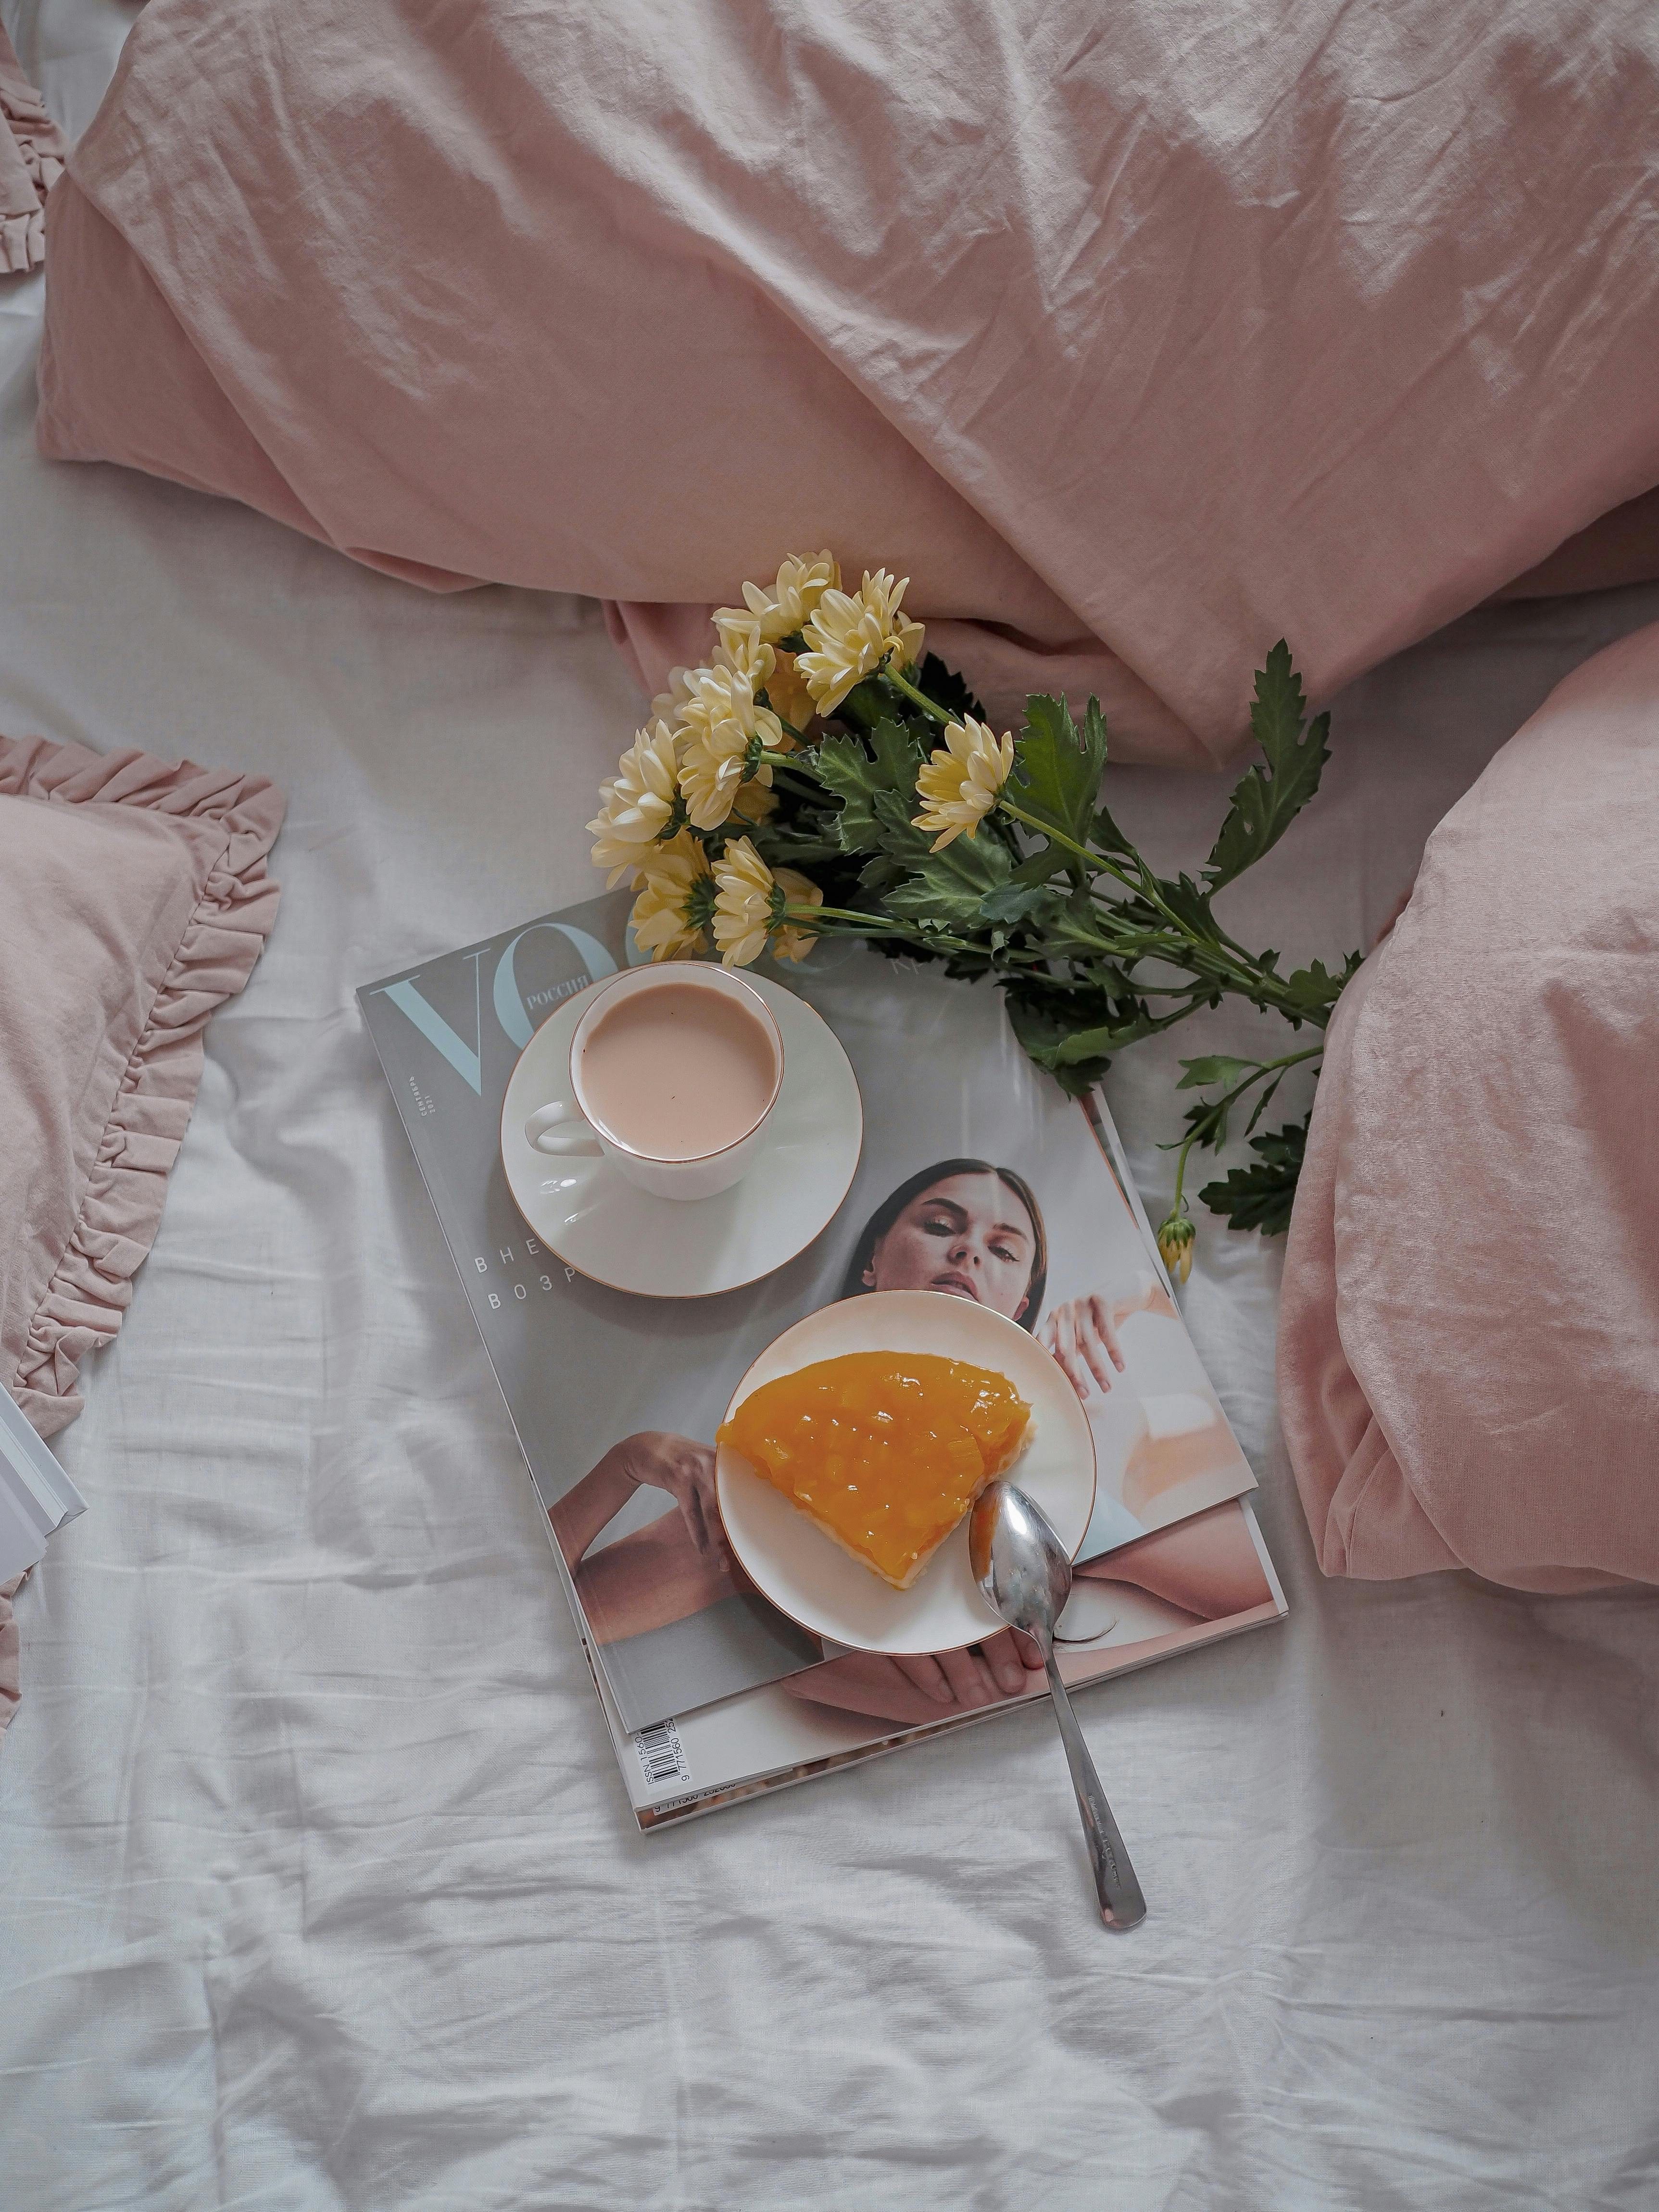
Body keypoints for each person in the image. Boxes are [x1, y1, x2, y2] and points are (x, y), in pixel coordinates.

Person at [548, 1157, 1187, 1709]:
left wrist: (1128, 1289)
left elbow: (1237, 1593)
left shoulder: (1089, 1423)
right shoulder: (764, 1496)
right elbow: (549, 1614)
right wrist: (630, 1460)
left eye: (1003, 1249)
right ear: (873, 1258)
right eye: (940, 1226)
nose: (967, 1251)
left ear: (1021, 1304)